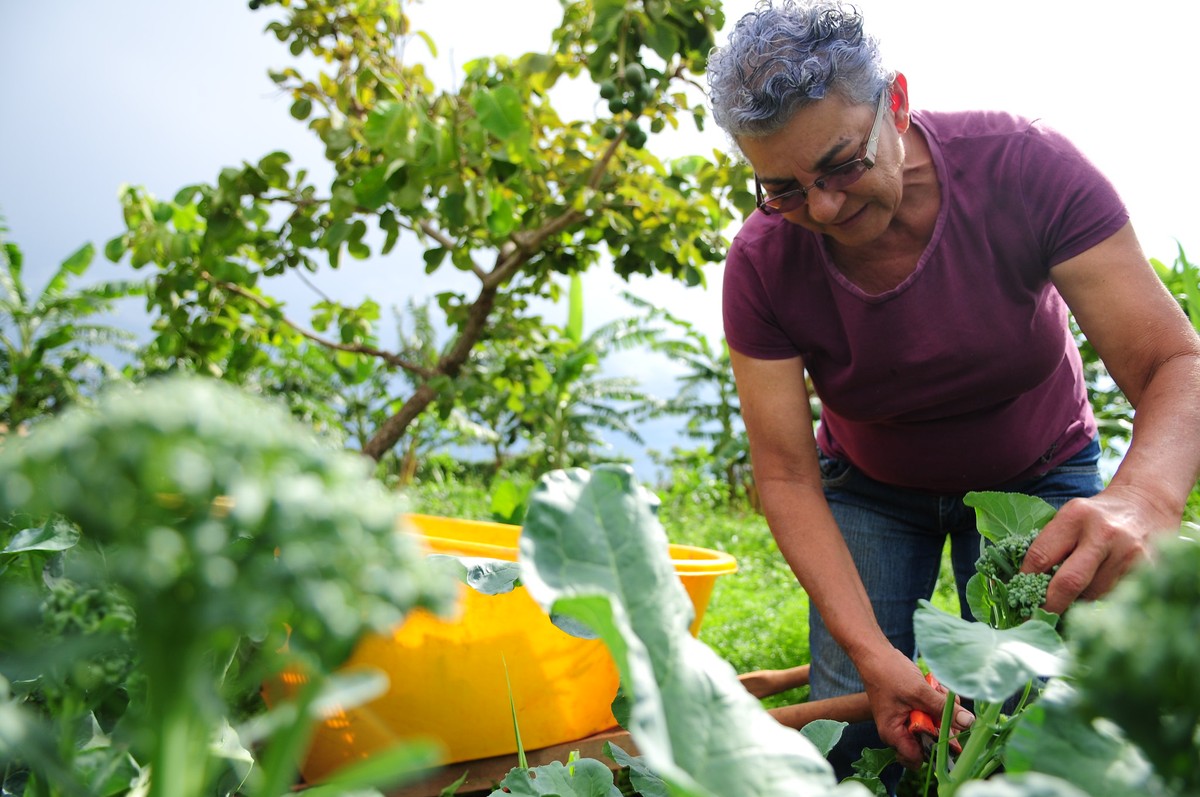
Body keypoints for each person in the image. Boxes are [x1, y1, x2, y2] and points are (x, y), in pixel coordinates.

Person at [704, 0, 1200, 782]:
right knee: (860, 735)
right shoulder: (764, 262)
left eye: (841, 166)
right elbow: (787, 475)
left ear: (895, 104)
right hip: (868, 488)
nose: (824, 207)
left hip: (1033, 470)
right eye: (786, 189)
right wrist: (870, 654)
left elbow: (1174, 362)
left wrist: (1142, 497)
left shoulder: (1024, 167)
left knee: (1038, 723)